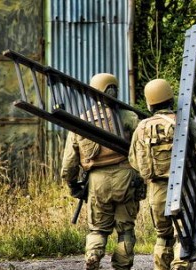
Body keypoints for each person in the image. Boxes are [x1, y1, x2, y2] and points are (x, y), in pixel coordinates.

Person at [128, 79, 196, 270]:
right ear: (171, 98)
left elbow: (134, 160)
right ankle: (180, 266)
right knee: (183, 232)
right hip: (184, 186)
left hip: (157, 190)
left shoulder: (142, 126)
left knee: (163, 235)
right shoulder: (183, 121)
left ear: (149, 102)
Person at [60, 73, 141, 270]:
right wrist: (142, 179)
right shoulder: (129, 117)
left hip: (97, 181)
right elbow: (141, 150)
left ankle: (93, 256)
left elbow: (69, 162)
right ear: (115, 89)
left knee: (97, 228)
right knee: (126, 230)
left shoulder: (82, 121)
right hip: (125, 177)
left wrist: (72, 184)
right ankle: (122, 266)